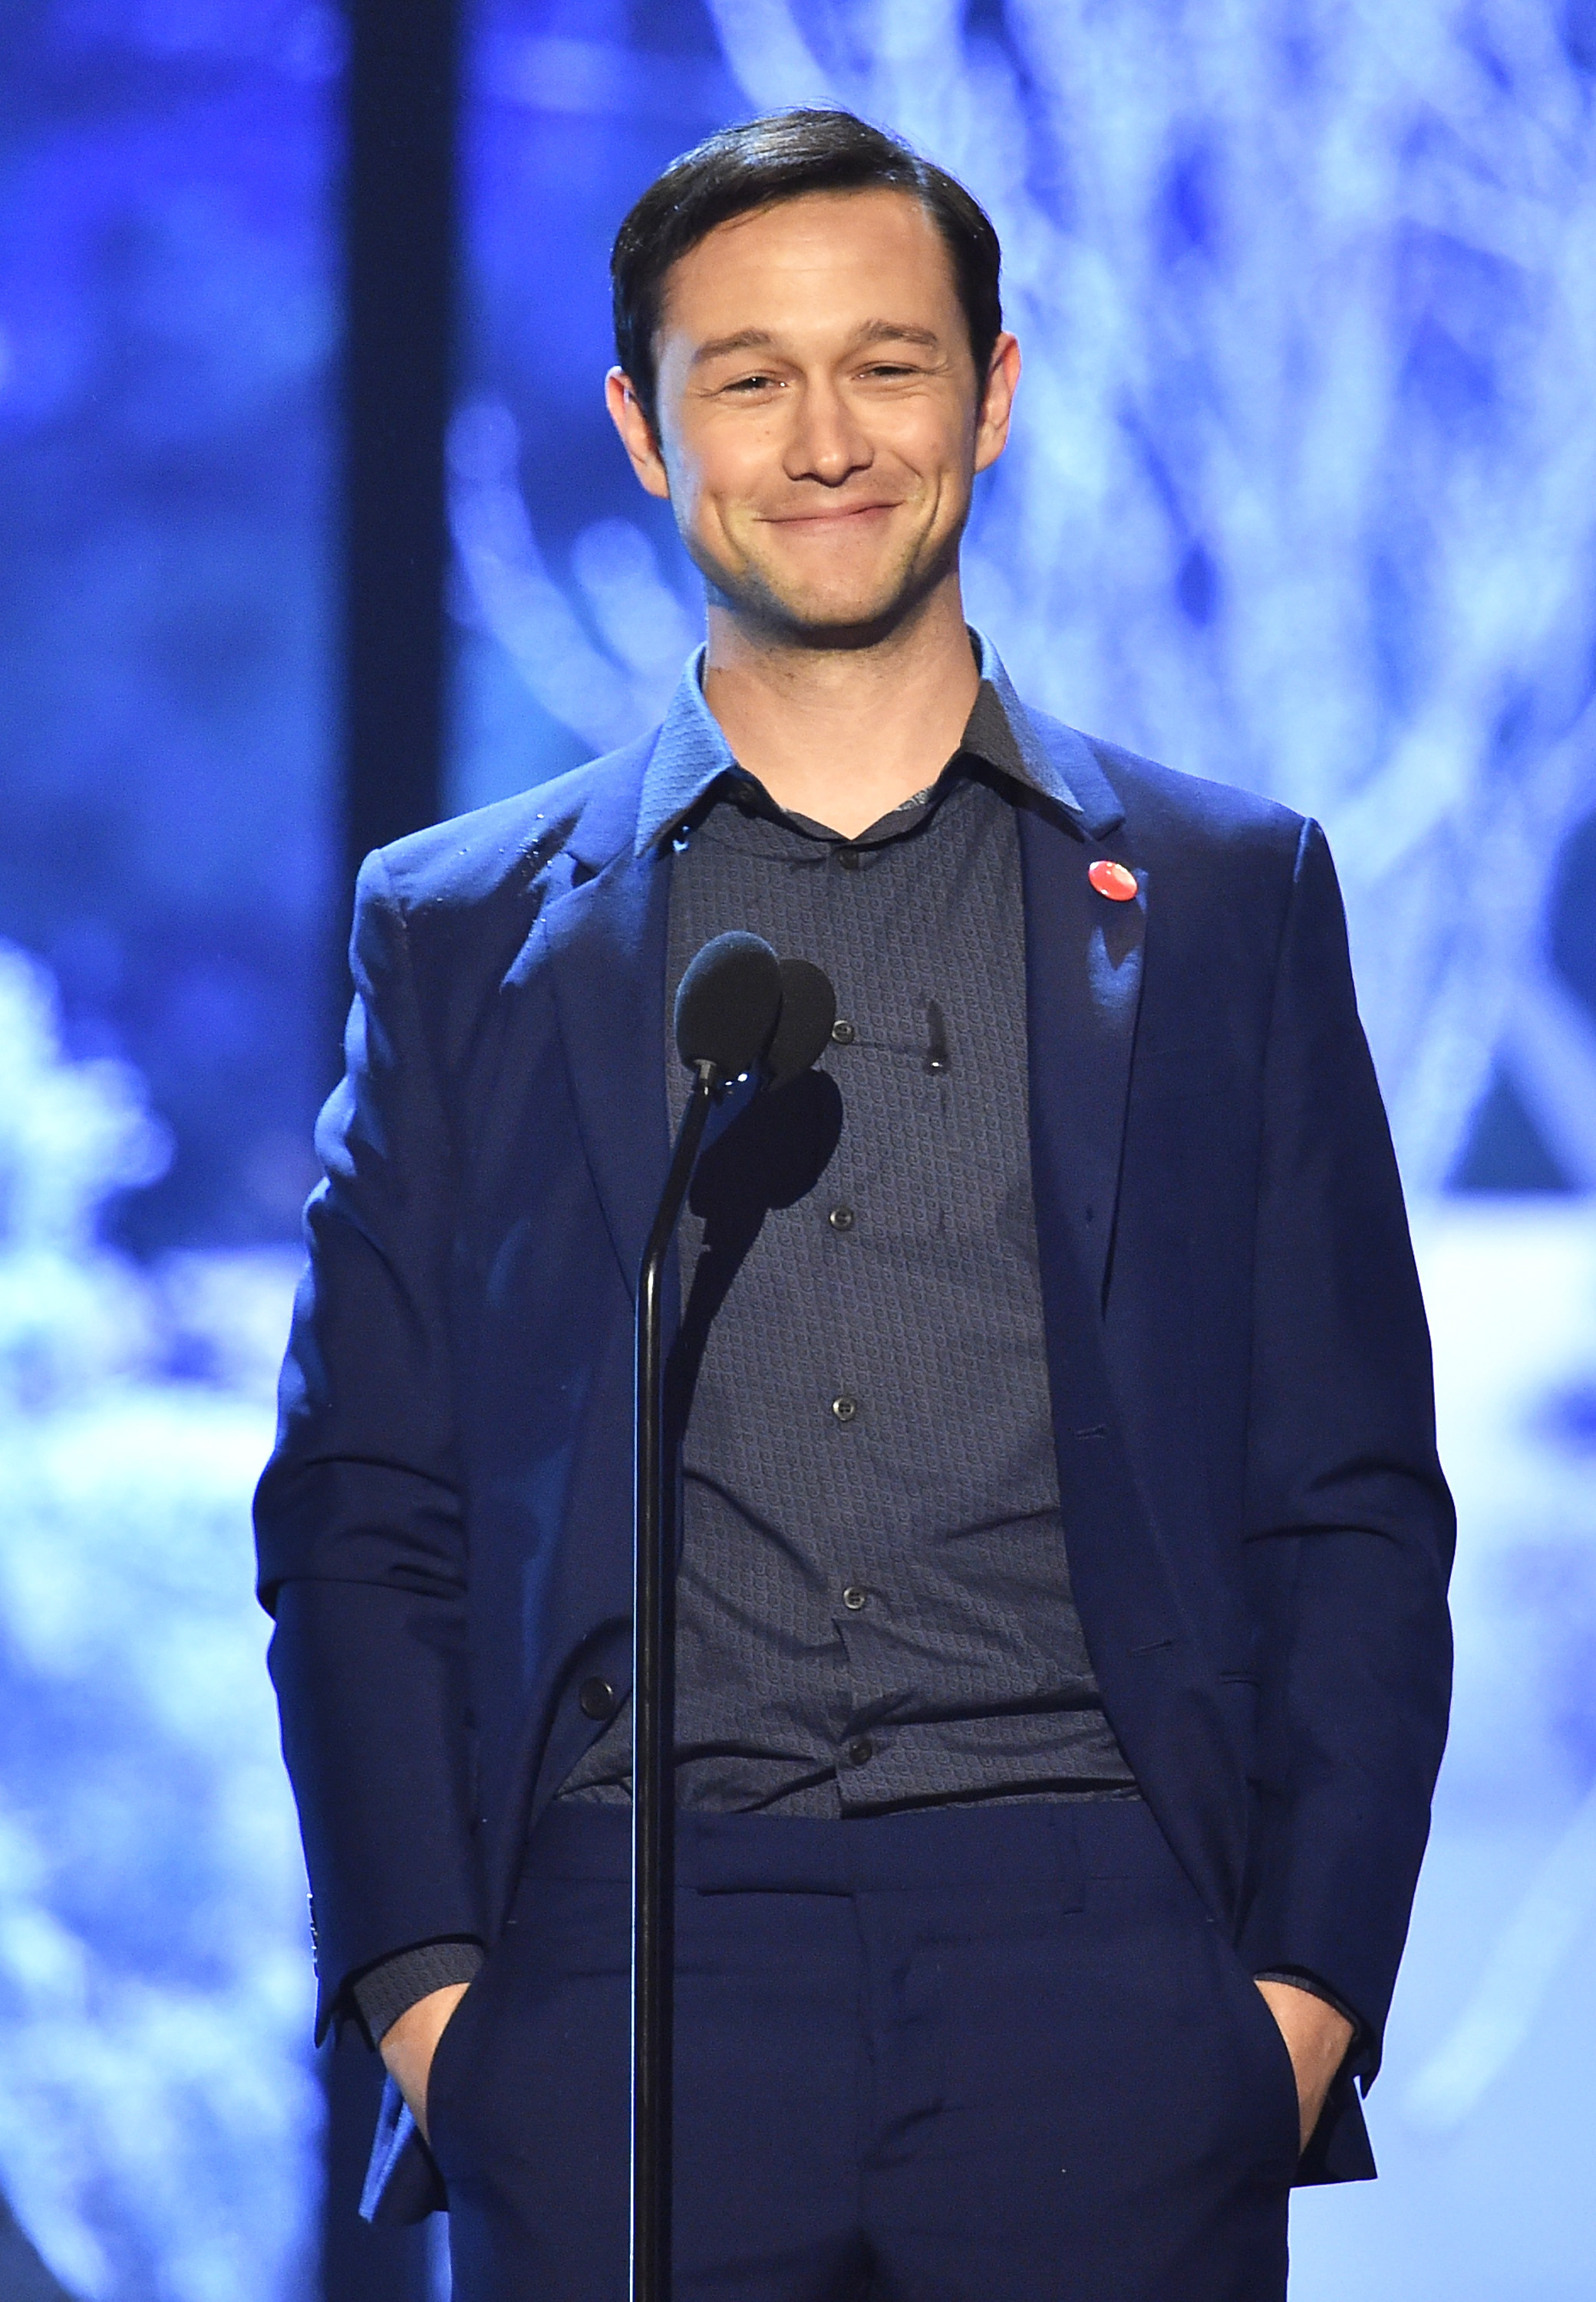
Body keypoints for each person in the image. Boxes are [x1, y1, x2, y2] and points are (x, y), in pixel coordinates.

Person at [255, 110, 1454, 2302]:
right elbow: (362, 1510)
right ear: (643, 425)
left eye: (888, 365)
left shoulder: (1222, 895)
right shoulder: (457, 930)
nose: (826, 439)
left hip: (1105, 1961)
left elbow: (1355, 1498)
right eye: (749, 374)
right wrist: (436, 2005)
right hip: (625, 1970)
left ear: (989, 399)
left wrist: (1291, 2010)